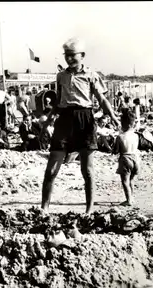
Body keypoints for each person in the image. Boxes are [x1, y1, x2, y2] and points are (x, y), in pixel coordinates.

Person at [39, 37, 120, 215]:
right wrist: (46, 124)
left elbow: (101, 98)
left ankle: (89, 210)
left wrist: (113, 115)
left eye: (72, 55)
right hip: (64, 120)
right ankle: (44, 208)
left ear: (82, 55)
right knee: (52, 167)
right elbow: (58, 102)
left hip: (85, 119)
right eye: (66, 55)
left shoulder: (91, 75)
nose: (69, 59)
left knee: (87, 170)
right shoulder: (61, 76)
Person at [112, 109, 139, 206]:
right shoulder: (136, 136)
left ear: (124, 125)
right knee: (131, 180)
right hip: (135, 158)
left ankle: (128, 200)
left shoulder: (120, 137)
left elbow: (116, 151)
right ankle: (132, 197)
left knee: (125, 181)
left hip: (125, 159)